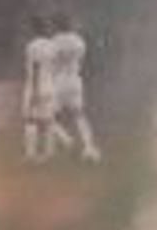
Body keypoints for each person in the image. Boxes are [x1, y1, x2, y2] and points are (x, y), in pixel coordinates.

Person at [47, 15, 102, 162]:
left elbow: (50, 61)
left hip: (59, 80)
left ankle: (66, 139)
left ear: (56, 25)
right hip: (75, 79)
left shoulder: (55, 41)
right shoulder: (78, 40)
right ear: (70, 24)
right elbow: (82, 57)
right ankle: (89, 147)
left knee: (47, 116)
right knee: (79, 114)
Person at [21, 16, 67, 163]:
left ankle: (31, 155)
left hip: (36, 85)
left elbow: (35, 67)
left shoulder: (32, 45)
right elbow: (58, 67)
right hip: (50, 86)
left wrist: (34, 91)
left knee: (30, 121)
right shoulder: (54, 46)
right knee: (49, 121)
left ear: (34, 29)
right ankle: (49, 155)